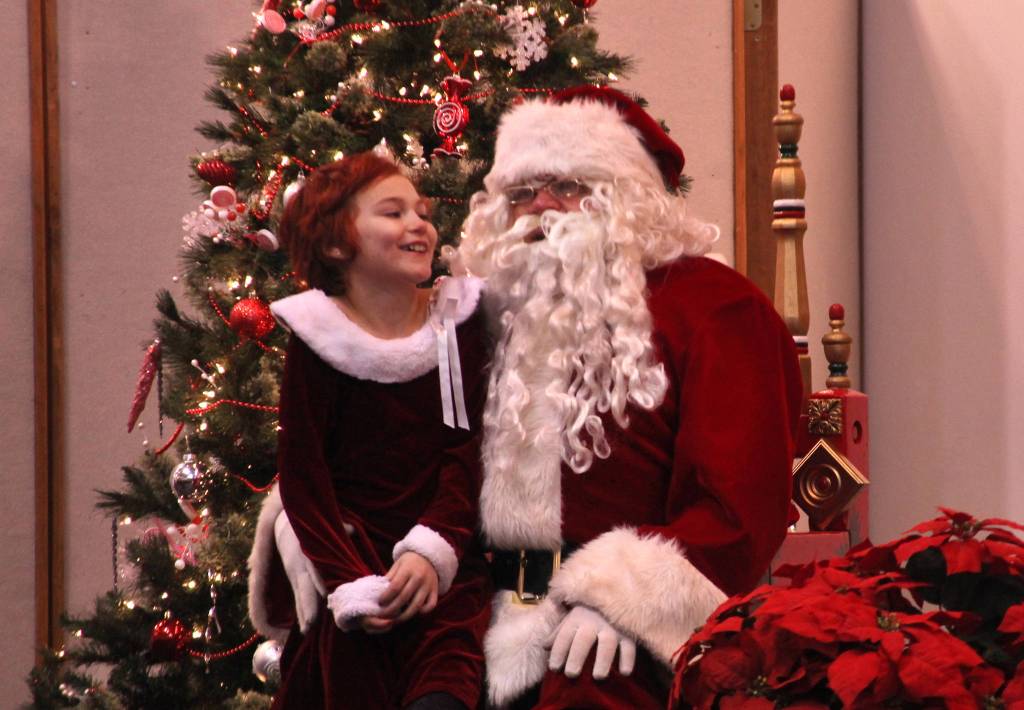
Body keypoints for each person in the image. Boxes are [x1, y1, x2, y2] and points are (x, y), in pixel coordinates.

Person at [451, 86, 804, 708]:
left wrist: (626, 599)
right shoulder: (483, 312)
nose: (542, 208)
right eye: (520, 193)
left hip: (625, 633)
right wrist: (318, 512)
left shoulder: (717, 307)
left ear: (626, 196)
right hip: (472, 611)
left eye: (567, 185)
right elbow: (404, 446)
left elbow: (737, 508)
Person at [246, 152, 491, 710]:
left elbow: (467, 450)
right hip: (356, 576)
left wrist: (434, 550)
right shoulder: (318, 339)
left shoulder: (455, 321)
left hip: (444, 581)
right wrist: (347, 582)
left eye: (422, 211)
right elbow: (304, 479)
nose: (419, 224)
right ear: (338, 245)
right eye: (393, 212)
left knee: (444, 694)